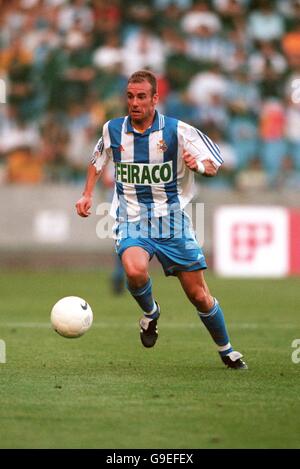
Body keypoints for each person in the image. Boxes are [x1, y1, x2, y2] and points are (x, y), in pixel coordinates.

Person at [76, 69, 247, 369]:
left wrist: (201, 167)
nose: (135, 102)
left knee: (199, 295)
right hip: (131, 218)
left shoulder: (177, 131)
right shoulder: (113, 130)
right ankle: (151, 313)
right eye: (130, 96)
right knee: (134, 270)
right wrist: (87, 194)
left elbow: (214, 162)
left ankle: (226, 349)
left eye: (141, 96)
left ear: (155, 98)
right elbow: (96, 160)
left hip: (172, 222)